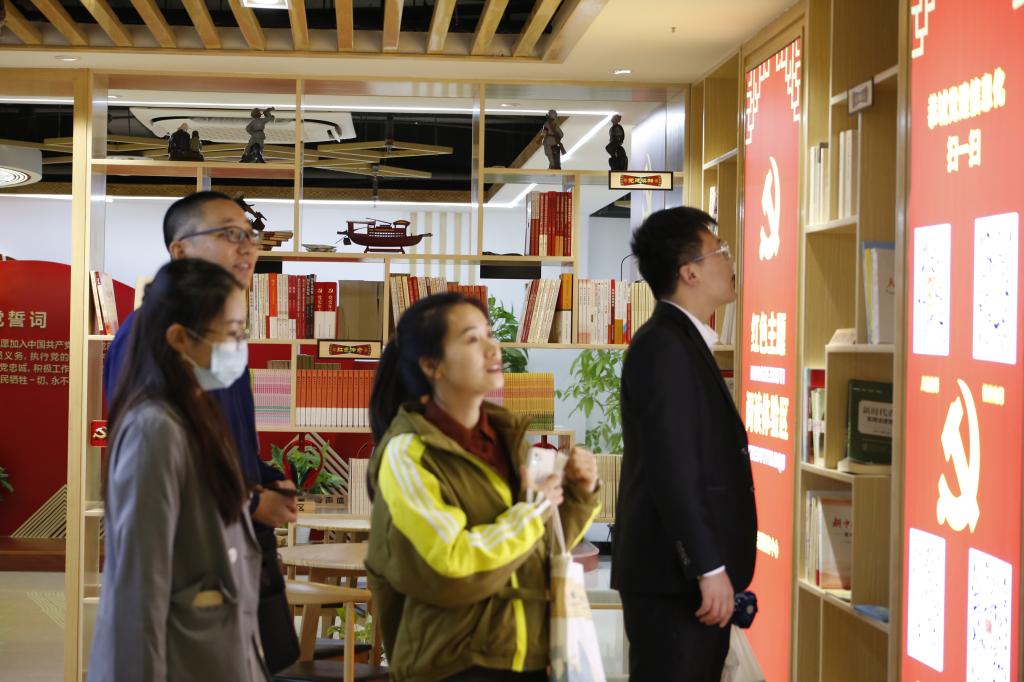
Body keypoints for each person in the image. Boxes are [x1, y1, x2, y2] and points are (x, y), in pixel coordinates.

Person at [102, 191, 298, 664]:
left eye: (250, 235)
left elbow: (227, 439)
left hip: (238, 540)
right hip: (194, 554)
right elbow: (163, 465)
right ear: (180, 250)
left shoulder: (222, 343)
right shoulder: (148, 338)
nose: (247, 247)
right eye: (230, 234)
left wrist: (266, 478)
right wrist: (251, 500)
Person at [364, 293, 600, 682]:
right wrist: (533, 512)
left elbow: (532, 550)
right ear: (432, 365)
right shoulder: (407, 454)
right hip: (454, 664)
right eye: (473, 339)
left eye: (490, 334)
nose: (493, 348)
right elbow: (452, 568)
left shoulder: (506, 438)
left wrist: (577, 494)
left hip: (527, 656)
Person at [89, 258, 270, 682]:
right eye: (230, 332)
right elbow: (138, 590)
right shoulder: (154, 430)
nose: (239, 345)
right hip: (179, 660)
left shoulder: (199, 411)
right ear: (179, 338)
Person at [611, 206, 757, 681]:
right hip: (672, 579)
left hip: (681, 578)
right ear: (689, 272)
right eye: (720, 251)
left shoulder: (682, 341)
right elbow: (673, 467)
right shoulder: (664, 346)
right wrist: (707, 567)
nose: (730, 261)